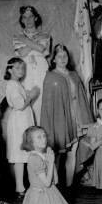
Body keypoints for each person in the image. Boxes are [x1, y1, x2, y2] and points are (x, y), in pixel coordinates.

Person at [40, 44, 94, 189]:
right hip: (60, 122)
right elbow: (47, 106)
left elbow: (82, 97)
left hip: (76, 120)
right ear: (54, 59)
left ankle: (69, 186)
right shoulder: (50, 78)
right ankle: (55, 186)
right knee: (57, 156)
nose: (63, 59)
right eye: (59, 56)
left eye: (65, 56)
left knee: (73, 152)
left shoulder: (74, 75)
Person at [19, 126, 78, 204]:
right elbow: (46, 183)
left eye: (44, 136)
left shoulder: (45, 155)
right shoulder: (34, 158)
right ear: (31, 142)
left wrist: (52, 162)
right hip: (39, 196)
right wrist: (50, 163)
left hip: (51, 192)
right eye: (39, 137)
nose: (44, 139)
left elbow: (56, 180)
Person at [4, 57, 38, 197]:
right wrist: (30, 96)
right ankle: (20, 188)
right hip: (19, 121)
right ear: (9, 70)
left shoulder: (17, 84)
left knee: (26, 152)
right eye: (17, 68)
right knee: (20, 153)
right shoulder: (12, 85)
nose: (21, 70)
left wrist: (28, 95)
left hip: (24, 119)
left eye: (22, 67)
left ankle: (25, 186)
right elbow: (19, 105)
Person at [13, 5, 50, 124]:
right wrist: (34, 42)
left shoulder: (44, 34)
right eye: (24, 17)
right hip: (25, 68)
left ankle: (42, 129)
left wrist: (25, 41)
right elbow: (22, 53)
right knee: (27, 96)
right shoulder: (17, 36)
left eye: (30, 16)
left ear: (35, 18)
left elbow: (41, 48)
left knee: (42, 97)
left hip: (40, 67)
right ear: (22, 20)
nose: (28, 20)